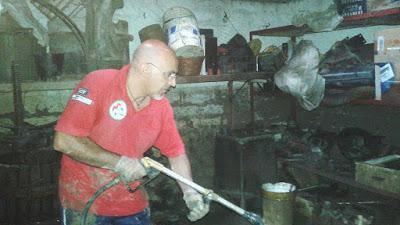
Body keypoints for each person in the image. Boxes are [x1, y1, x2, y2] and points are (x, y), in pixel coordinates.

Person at [53, 39, 209, 225]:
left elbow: (176, 153)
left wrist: (190, 192)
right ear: (146, 69)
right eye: (169, 75)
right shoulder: (99, 83)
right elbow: (64, 140)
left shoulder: (161, 106)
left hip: (131, 205)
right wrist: (119, 162)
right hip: (85, 203)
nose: (173, 83)